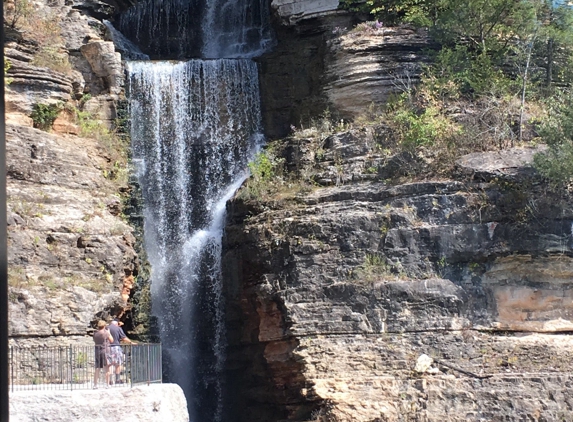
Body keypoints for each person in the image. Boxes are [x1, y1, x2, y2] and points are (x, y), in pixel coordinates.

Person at [107, 319, 135, 385]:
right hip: (116, 347)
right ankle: (117, 379)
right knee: (118, 363)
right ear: (116, 323)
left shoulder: (106, 328)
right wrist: (131, 342)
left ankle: (110, 380)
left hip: (107, 348)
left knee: (110, 364)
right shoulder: (118, 328)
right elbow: (123, 337)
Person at [93, 320, 113, 389]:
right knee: (106, 368)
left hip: (97, 351)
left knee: (97, 368)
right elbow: (111, 340)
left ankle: (95, 384)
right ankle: (107, 384)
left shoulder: (95, 333)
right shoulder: (106, 333)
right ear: (104, 326)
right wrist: (109, 333)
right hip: (105, 351)